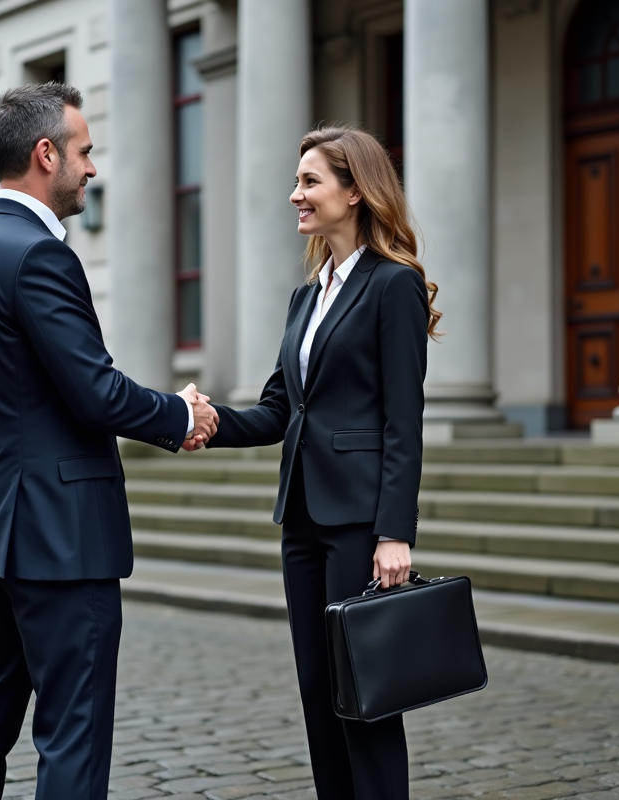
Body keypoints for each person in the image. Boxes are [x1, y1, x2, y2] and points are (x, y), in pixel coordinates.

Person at [0, 82, 218, 800]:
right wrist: (179, 415)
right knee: (73, 733)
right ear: (45, 153)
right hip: (56, 535)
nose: (93, 168)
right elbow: (93, 390)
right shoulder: (38, 255)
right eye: (85, 151)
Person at [195, 126, 441, 800]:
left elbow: (403, 423)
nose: (294, 194)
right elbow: (279, 410)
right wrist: (201, 422)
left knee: (366, 694)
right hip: (301, 522)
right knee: (317, 693)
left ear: (355, 191)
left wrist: (395, 532)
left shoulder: (393, 286)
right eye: (298, 181)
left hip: (359, 522)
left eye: (310, 182)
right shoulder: (307, 296)